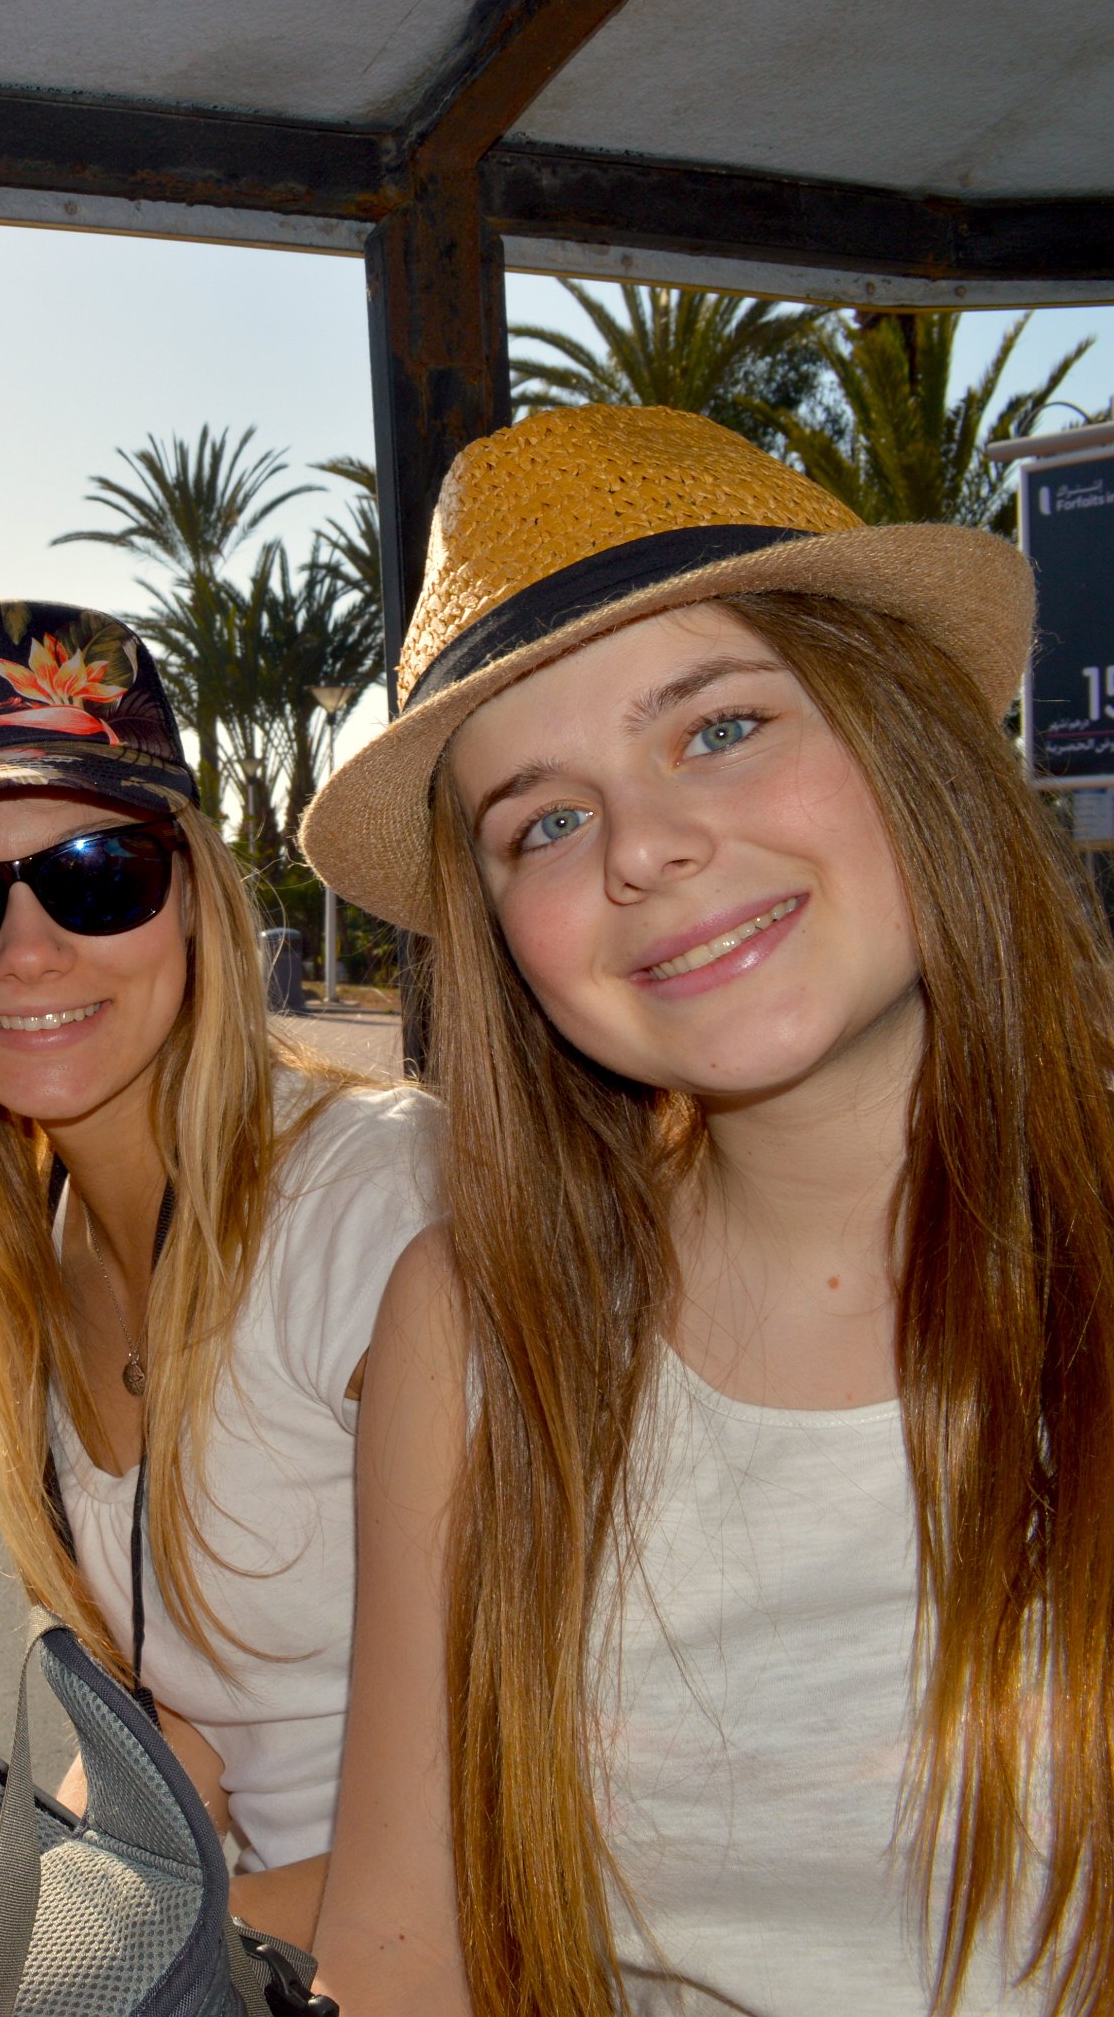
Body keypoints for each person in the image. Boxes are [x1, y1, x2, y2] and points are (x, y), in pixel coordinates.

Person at [304, 405, 1114, 2014]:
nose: (647, 850)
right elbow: (400, 1940)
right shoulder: (473, 1323)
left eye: (721, 727)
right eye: (544, 821)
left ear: (905, 733)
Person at [0, 600, 438, 1945]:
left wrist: (70, 1973)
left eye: (98, 873)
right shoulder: (42, 1253)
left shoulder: (380, 1212)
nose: (27, 952)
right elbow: (181, 1728)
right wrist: (12, 1930)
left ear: (195, 898)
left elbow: (542, 1827)